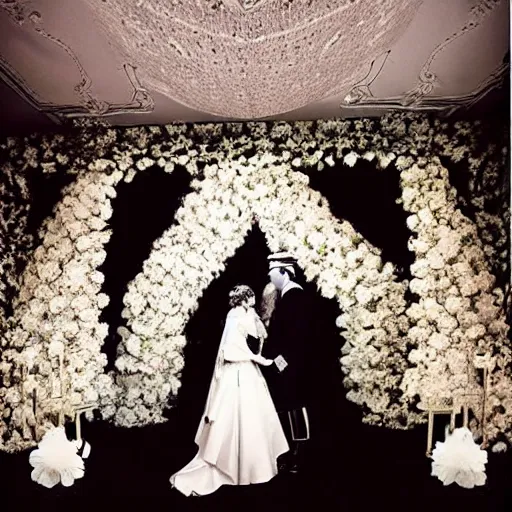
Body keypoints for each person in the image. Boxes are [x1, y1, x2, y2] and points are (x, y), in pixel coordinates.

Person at [170, 285, 289, 497]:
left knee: (255, 416)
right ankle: (233, 467)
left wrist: (261, 347)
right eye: (249, 296)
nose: (252, 299)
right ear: (242, 300)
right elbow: (231, 350)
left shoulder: (249, 313)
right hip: (237, 371)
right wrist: (259, 359)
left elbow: (257, 336)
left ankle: (257, 467)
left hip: (250, 371)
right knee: (235, 416)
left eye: (252, 295)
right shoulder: (233, 316)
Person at [260, 252, 315, 474]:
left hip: (293, 365)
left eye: (273, 272)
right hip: (285, 365)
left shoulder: (295, 297)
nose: (270, 277)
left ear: (284, 271)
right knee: (286, 406)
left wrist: (281, 363)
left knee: (296, 407)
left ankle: (299, 453)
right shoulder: (285, 296)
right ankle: (289, 451)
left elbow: (297, 336)